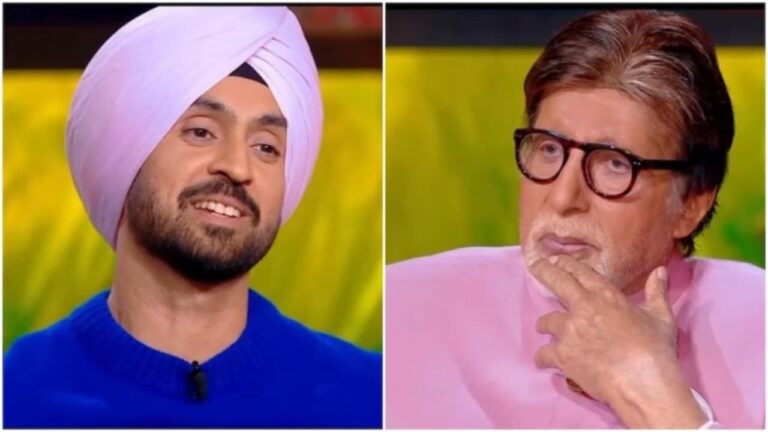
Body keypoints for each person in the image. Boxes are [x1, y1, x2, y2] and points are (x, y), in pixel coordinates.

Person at [4, 6, 381, 428]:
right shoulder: (16, 395)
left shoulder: (372, 397)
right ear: (127, 151)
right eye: (201, 132)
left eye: (266, 147)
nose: (237, 167)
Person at [386, 9, 763, 429]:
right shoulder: (405, 304)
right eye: (549, 150)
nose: (563, 197)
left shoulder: (756, 324)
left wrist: (652, 393)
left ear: (691, 204)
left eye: (615, 164)